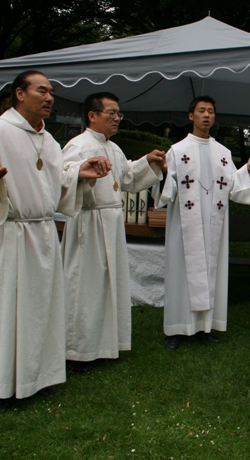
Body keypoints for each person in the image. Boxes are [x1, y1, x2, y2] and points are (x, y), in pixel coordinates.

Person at [0, 70, 111, 410]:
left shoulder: (50, 141)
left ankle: (36, 376)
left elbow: (55, 183)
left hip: (41, 233)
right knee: (5, 309)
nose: (49, 97)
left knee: (40, 310)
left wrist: (77, 175)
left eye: (52, 92)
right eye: (42, 90)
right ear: (19, 94)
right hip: (9, 233)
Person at [60, 92, 167, 362]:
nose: (117, 118)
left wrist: (148, 161)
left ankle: (105, 344)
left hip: (112, 222)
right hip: (88, 222)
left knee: (108, 287)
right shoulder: (78, 145)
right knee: (85, 286)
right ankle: (77, 350)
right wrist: (81, 174)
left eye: (119, 113)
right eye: (112, 113)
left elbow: (127, 177)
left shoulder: (113, 147)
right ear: (92, 115)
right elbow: (62, 176)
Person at [157, 96, 250, 349]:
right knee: (181, 271)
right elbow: (168, 189)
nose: (207, 115)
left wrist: (247, 168)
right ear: (191, 116)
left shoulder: (223, 152)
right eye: (201, 111)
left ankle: (205, 327)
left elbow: (232, 184)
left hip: (214, 222)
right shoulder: (177, 150)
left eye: (210, 111)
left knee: (210, 270)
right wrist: (164, 171)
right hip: (185, 224)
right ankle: (176, 327)